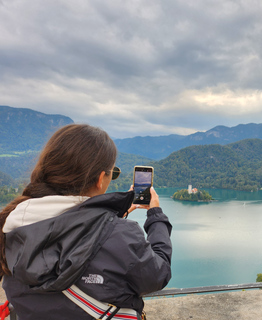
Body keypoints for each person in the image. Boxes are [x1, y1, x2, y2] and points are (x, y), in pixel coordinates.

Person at [0, 124, 172, 320]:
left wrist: (111, 221)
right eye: (112, 173)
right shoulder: (121, 235)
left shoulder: (12, 223)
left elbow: (62, 233)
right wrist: (156, 216)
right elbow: (159, 274)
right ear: (100, 179)